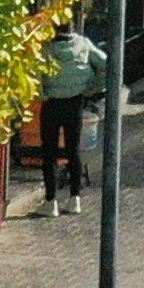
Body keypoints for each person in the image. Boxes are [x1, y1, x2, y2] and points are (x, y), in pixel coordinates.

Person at [36, 19, 109, 214]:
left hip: (51, 102)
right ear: (72, 28)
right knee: (73, 150)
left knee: (49, 153)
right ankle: (74, 198)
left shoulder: (45, 49)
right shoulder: (82, 44)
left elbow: (36, 76)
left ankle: (50, 201)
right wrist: (93, 88)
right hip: (75, 102)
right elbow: (104, 63)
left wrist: (41, 94)